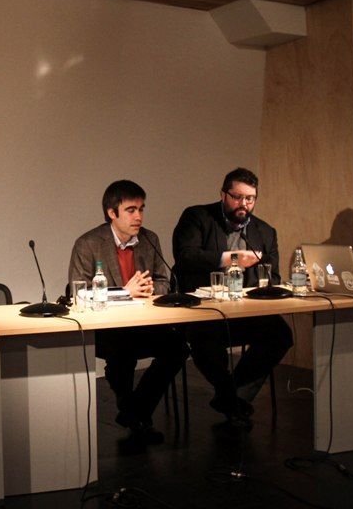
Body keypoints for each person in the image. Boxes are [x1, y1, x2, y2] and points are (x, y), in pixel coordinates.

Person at [172, 167, 293, 431]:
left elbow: (273, 276)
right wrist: (229, 258)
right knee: (204, 339)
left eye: (250, 198)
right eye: (237, 197)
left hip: (244, 312)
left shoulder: (265, 231)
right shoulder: (198, 217)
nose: (243, 204)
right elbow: (185, 256)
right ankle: (232, 400)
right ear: (223, 194)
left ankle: (231, 396)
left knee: (280, 335)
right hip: (204, 312)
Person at [68, 180, 189, 444]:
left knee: (178, 346)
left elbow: (163, 280)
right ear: (112, 213)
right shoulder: (88, 243)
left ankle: (134, 411)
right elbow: (78, 293)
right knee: (123, 351)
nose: (138, 217)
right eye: (131, 210)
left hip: (143, 322)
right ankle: (136, 415)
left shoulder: (149, 239)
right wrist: (124, 292)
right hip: (105, 328)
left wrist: (149, 288)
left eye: (141, 209)